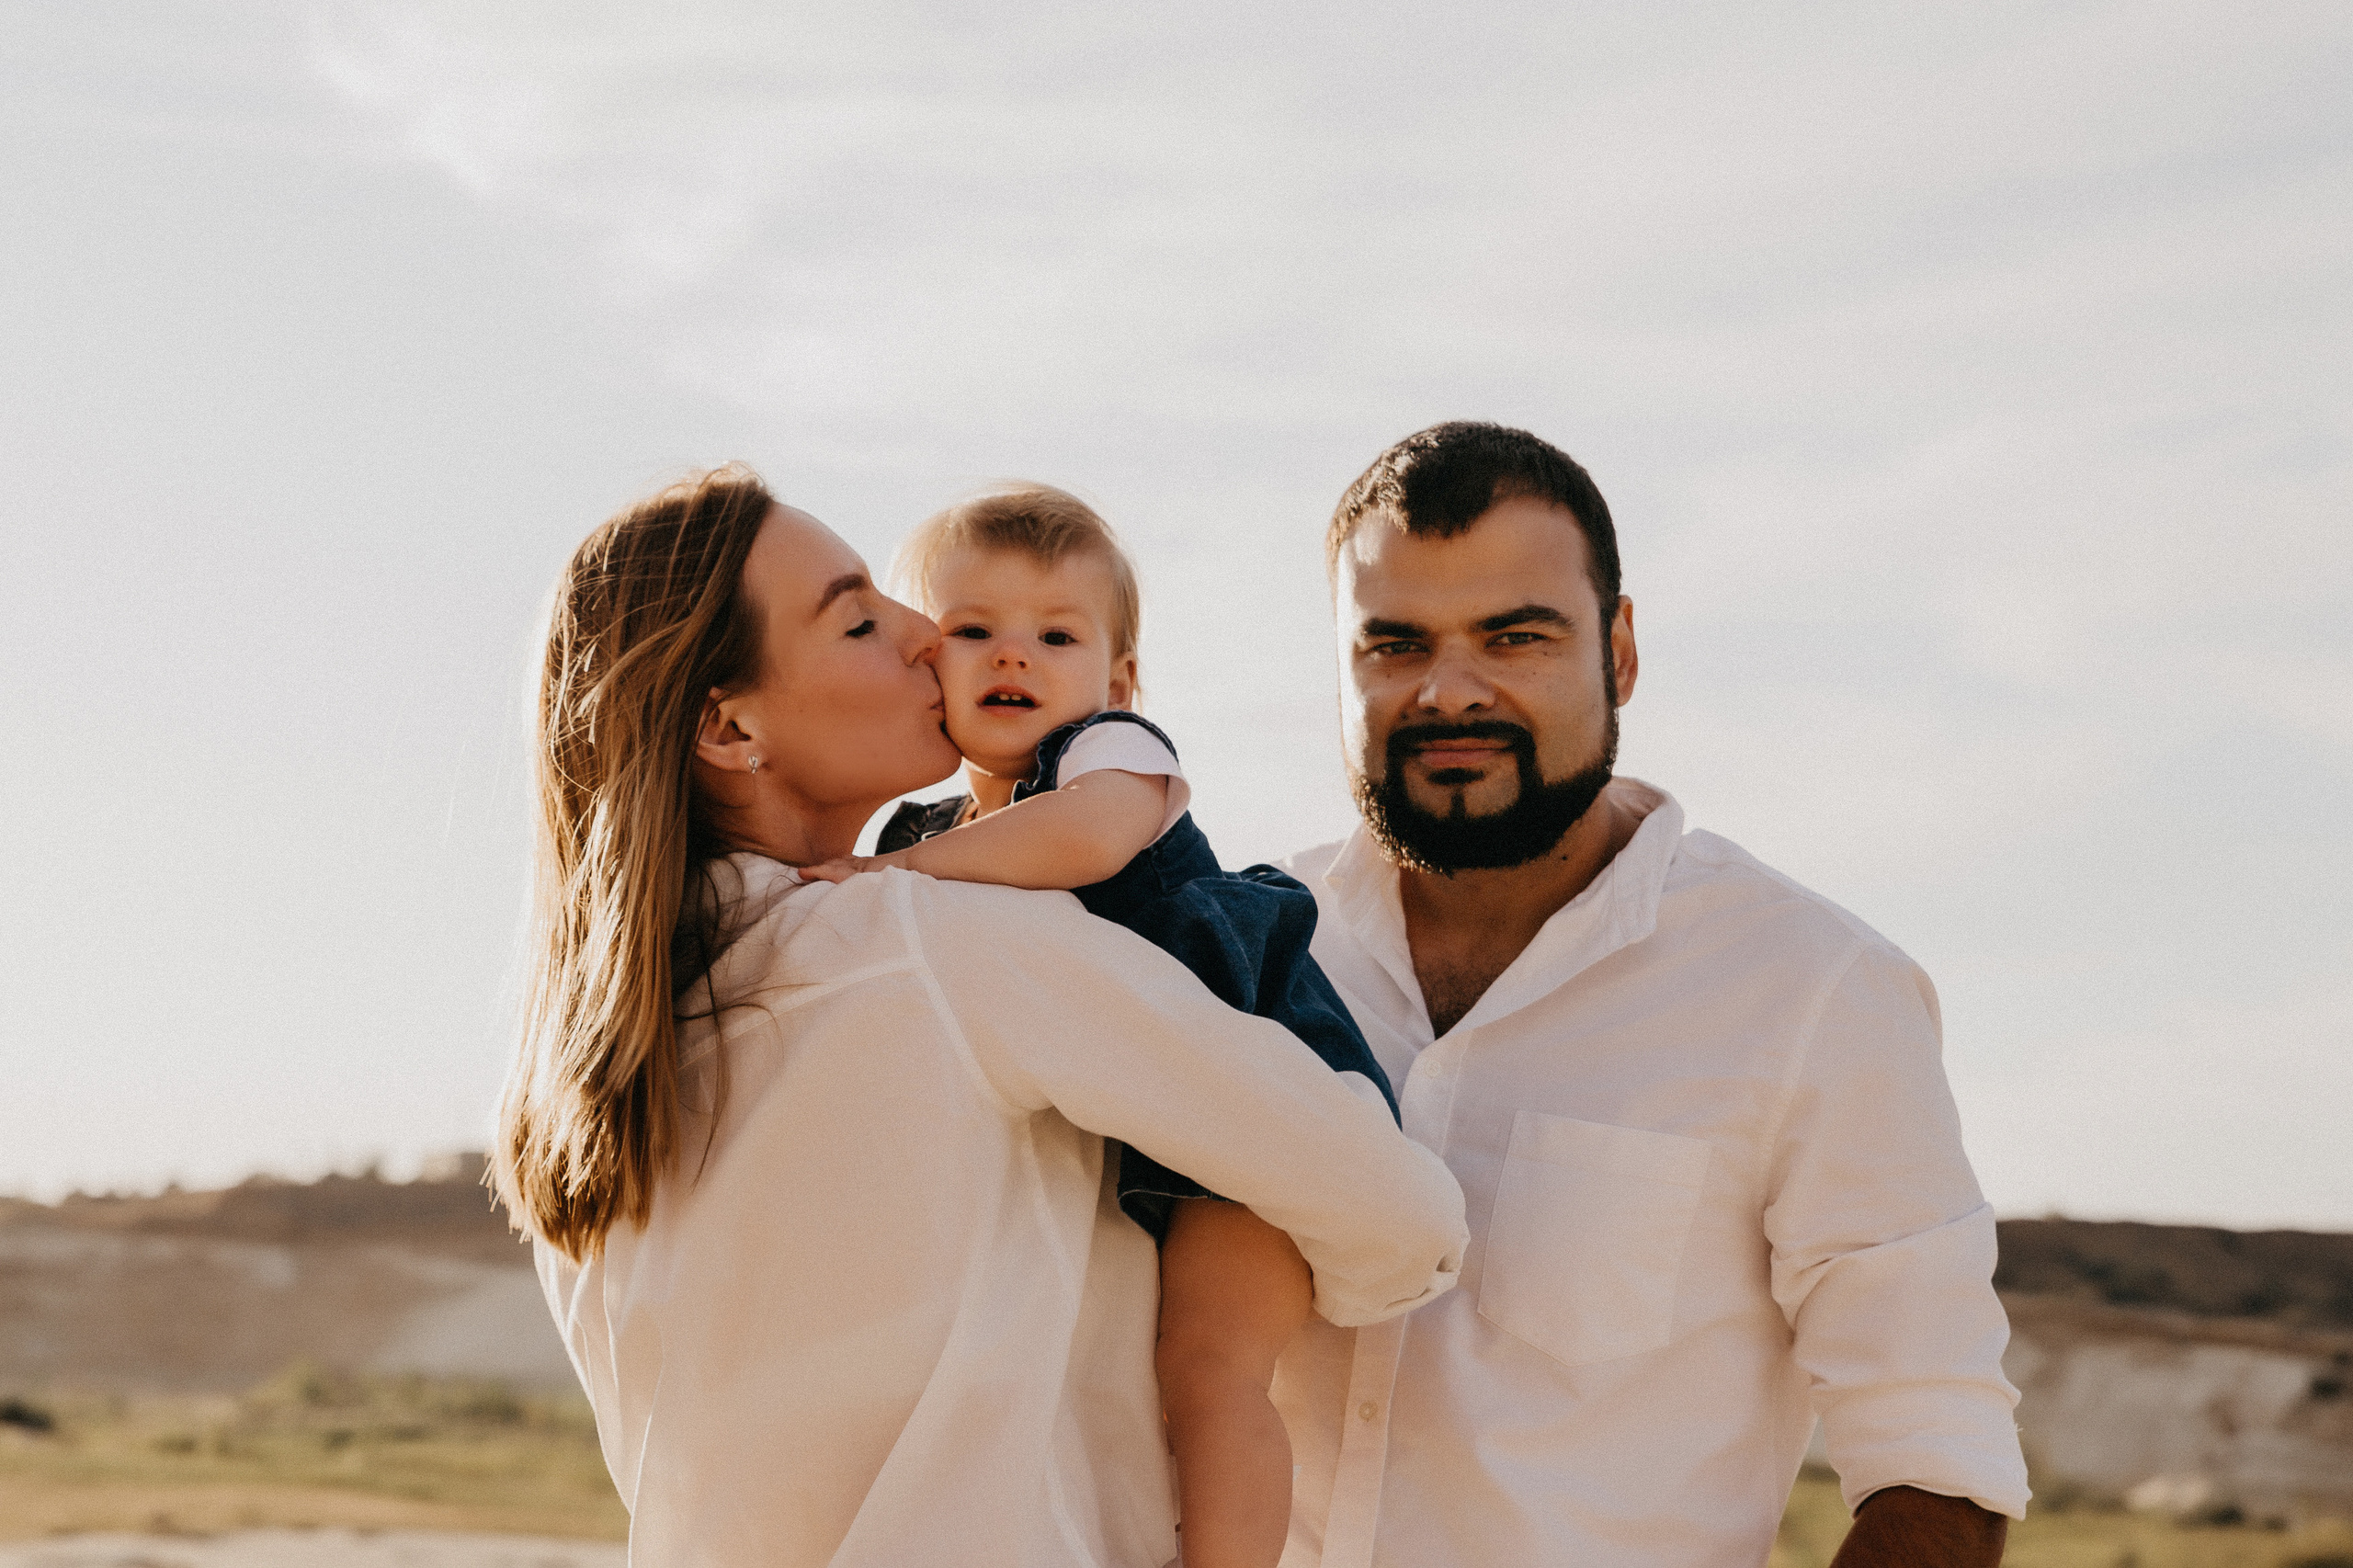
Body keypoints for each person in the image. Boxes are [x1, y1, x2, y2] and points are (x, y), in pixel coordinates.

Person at [493, 465, 1468, 1568]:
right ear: (728, 729)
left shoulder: (590, 1090)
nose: (925, 636)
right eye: (859, 619)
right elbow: (1403, 1219)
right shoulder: (941, 944)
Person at [1269, 423, 2029, 1568]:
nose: (1448, 689)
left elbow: (1937, 1455)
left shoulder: (1812, 990)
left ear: (1618, 649)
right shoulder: (1240, 952)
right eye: (1394, 644)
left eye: (1515, 636)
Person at [806, 485, 1395, 1568]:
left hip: (1257, 1084)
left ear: (1118, 676)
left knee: (1211, 1365)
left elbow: (1083, 842)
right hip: (1136, 1128)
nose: (1011, 657)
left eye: (1056, 635)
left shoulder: (1104, 755)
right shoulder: (928, 826)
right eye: (973, 630)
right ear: (923, 659)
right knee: (1103, 1374)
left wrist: (883, 877)